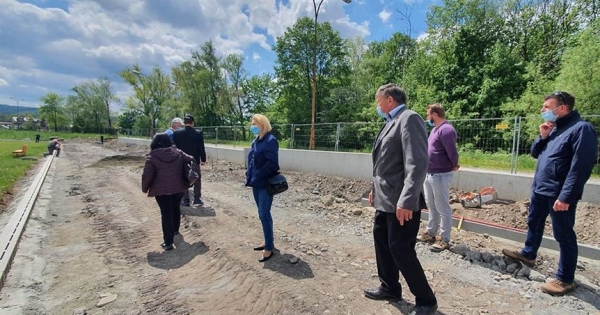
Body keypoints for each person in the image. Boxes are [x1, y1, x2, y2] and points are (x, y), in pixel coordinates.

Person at [502, 91, 598, 296]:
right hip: (540, 189)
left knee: (563, 234)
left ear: (561, 108)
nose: (542, 110)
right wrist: (543, 136)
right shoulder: (555, 129)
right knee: (533, 222)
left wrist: (566, 196)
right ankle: (528, 254)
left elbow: (581, 166)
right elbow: (536, 153)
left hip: (558, 194)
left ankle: (565, 279)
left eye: (546, 107)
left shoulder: (581, 129)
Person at [365, 84, 438, 315]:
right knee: (383, 243)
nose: (377, 105)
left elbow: (416, 163)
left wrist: (407, 200)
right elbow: (383, 164)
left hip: (400, 202)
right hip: (384, 198)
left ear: (389, 100)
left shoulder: (409, 119)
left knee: (401, 249)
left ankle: (426, 300)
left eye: (379, 101)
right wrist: (373, 189)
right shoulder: (389, 122)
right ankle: (390, 287)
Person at [417, 103, 459, 252]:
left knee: (443, 208)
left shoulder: (446, 130)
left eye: (429, 114)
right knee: (432, 206)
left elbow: (452, 151)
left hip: (440, 174)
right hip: (429, 173)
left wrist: (454, 164)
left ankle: (445, 239)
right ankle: (431, 232)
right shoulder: (435, 130)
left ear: (435, 114)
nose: (427, 117)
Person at [141, 133, 195, 251]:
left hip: (161, 191)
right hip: (179, 187)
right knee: (176, 208)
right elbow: (191, 158)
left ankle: (168, 242)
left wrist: (144, 188)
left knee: (166, 214)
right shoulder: (178, 153)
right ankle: (175, 230)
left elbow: (147, 175)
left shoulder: (152, 157)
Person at [245, 114, 279, 263]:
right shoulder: (256, 141)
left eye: (255, 123)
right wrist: (249, 173)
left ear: (263, 125)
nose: (253, 126)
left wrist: (258, 174)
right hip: (255, 183)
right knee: (264, 214)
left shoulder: (270, 141)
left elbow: (272, 163)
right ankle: (268, 241)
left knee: (263, 214)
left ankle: (269, 248)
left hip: (265, 183)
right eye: (252, 123)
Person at [173, 115, 207, 206]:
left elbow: (174, 147)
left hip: (181, 159)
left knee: (183, 179)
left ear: (184, 123)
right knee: (197, 178)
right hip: (194, 159)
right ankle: (197, 199)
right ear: (193, 122)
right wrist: (203, 159)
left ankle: (186, 200)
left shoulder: (176, 133)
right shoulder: (198, 133)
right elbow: (201, 148)